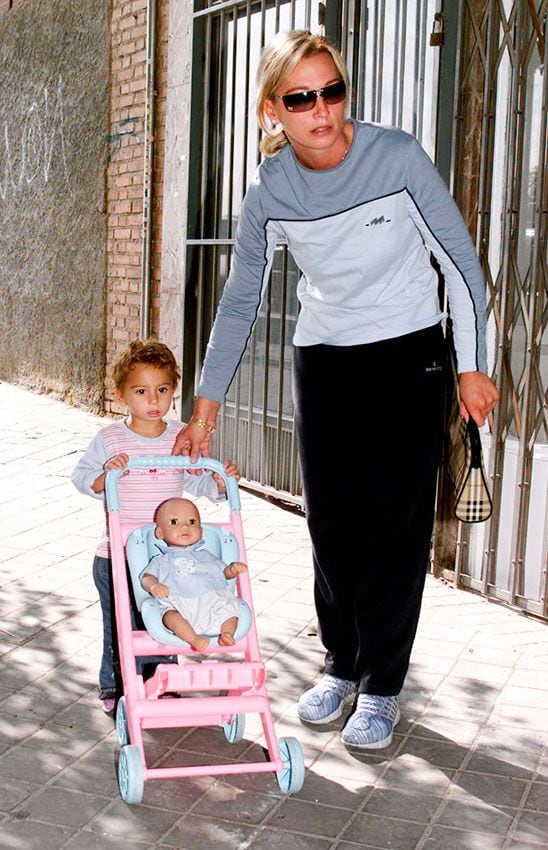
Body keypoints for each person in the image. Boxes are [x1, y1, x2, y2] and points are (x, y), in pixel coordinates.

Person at [172, 30, 499, 749]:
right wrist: (205, 408)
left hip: (409, 351)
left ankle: (382, 683)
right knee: (331, 523)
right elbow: (240, 299)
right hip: (324, 359)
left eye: (333, 91)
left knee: (396, 525)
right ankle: (340, 665)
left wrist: (472, 365)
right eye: (301, 98)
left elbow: (461, 267)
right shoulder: (271, 192)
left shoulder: (397, 157)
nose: (322, 110)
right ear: (272, 110)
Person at [71, 339, 240, 713]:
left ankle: (163, 682)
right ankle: (115, 685)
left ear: (173, 393)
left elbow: (195, 483)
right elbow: (80, 476)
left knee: (165, 619)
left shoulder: (179, 436)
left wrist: (220, 481)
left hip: (168, 558)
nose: (153, 400)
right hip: (118, 554)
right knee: (122, 624)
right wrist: (104, 477)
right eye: (142, 391)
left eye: (162, 390)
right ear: (122, 395)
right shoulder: (111, 439)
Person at [140, 497, 248, 651]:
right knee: (169, 616)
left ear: (201, 531)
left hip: (210, 602)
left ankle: (227, 634)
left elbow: (223, 573)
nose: (185, 526)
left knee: (230, 610)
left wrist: (232, 570)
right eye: (174, 522)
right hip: (179, 604)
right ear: (160, 532)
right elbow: (146, 577)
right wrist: (154, 586)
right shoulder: (161, 560)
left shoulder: (206, 555)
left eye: (191, 522)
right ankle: (194, 639)